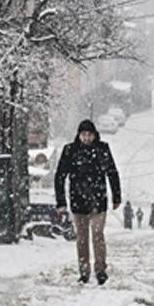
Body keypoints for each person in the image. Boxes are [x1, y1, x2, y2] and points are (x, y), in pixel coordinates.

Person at [55, 119, 122, 284]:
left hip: (98, 201)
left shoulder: (102, 150)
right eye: (83, 134)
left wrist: (116, 196)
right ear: (79, 135)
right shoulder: (70, 150)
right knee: (82, 237)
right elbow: (60, 176)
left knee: (98, 235)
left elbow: (112, 173)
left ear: (94, 135)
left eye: (89, 135)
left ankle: (100, 270)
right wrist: (61, 202)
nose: (86, 138)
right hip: (78, 201)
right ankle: (84, 271)